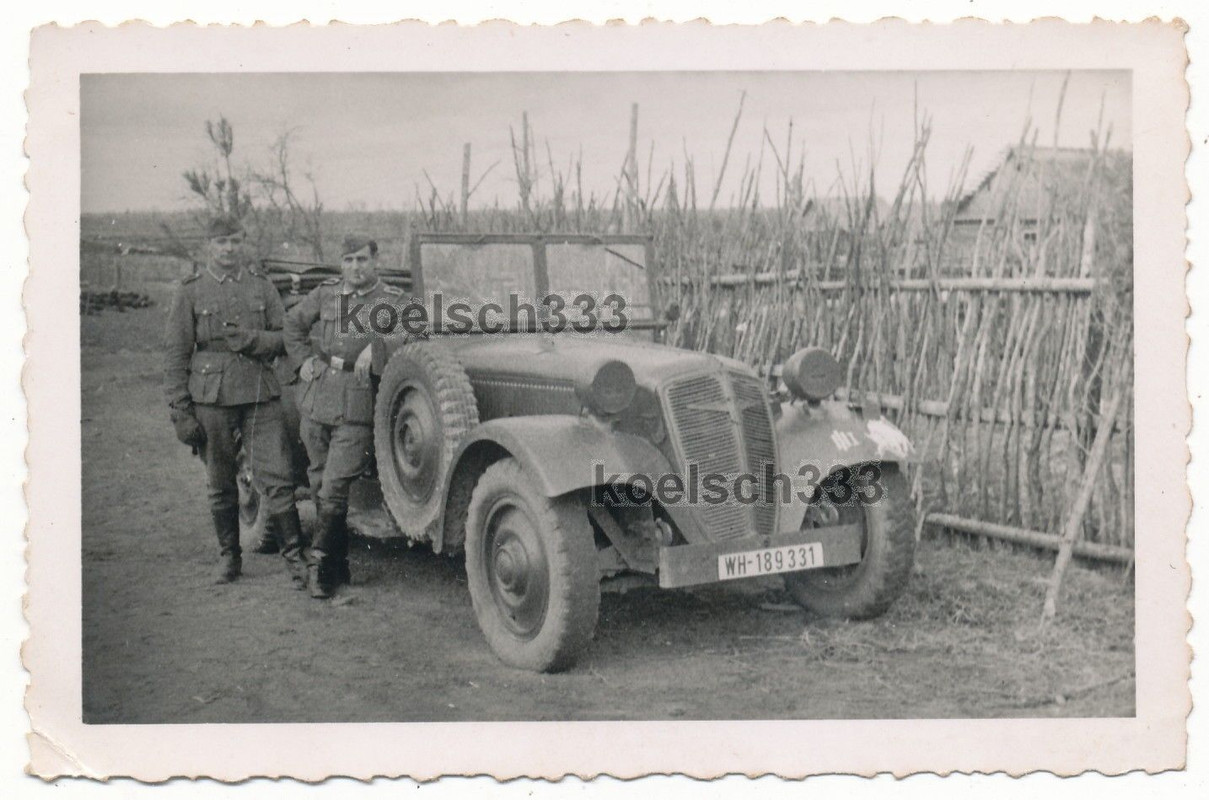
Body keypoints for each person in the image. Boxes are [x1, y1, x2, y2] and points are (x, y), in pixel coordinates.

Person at [163, 216, 307, 587]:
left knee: (277, 475)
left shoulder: (262, 287)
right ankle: (230, 557)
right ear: (209, 245)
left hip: (259, 391)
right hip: (211, 398)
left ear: (244, 243)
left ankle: (295, 559)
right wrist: (180, 411)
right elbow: (177, 355)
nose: (229, 248)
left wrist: (253, 342)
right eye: (221, 241)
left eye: (235, 241)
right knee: (220, 481)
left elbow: (284, 338)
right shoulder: (191, 291)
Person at [284, 234, 405, 598]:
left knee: (335, 485)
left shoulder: (393, 300)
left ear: (376, 261)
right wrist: (303, 360)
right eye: (349, 260)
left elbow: (419, 331)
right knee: (319, 480)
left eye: (362, 260)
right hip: (318, 396)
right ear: (341, 263)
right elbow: (292, 325)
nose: (356, 267)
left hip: (358, 402)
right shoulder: (325, 294)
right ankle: (340, 563)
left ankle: (319, 565)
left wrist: (380, 345)